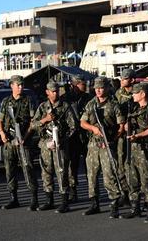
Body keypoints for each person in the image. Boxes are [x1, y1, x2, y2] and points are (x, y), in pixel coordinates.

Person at [80, 76, 125, 218]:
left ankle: (114, 205)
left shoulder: (113, 104)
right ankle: (94, 204)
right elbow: (82, 122)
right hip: (93, 144)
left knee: (109, 176)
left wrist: (113, 139)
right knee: (92, 175)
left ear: (107, 88)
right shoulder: (91, 104)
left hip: (107, 143)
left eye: (101, 88)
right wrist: (92, 128)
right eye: (96, 88)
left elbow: (121, 125)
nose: (98, 91)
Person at [31, 80, 76, 213]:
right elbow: (33, 125)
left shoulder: (65, 106)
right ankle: (49, 200)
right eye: (52, 91)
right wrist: (45, 119)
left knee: (61, 172)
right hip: (46, 144)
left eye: (56, 91)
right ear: (47, 92)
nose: (55, 93)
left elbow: (73, 127)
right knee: (46, 172)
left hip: (60, 145)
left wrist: (63, 139)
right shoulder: (42, 107)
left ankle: (64, 202)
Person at [0, 75, 37, 210]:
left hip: (23, 141)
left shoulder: (28, 100)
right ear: (12, 86)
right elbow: (0, 120)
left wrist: (25, 136)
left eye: (22, 85)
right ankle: (13, 198)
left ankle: (34, 198)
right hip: (9, 141)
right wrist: (2, 133)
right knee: (10, 170)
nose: (20, 87)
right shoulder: (6, 101)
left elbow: (33, 122)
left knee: (28, 169)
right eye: (18, 85)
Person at [121, 82, 148, 223]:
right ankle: (135, 208)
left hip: (144, 148)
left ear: (142, 94)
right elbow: (126, 126)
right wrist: (126, 127)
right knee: (132, 178)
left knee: (146, 180)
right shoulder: (134, 108)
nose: (133, 95)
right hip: (132, 148)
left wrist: (139, 135)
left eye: (136, 93)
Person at [60, 74, 92, 203]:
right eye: (83, 84)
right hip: (72, 137)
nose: (86, 86)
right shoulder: (65, 99)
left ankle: (92, 191)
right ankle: (73, 191)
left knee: (89, 165)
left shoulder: (89, 98)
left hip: (86, 135)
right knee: (71, 166)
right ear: (75, 85)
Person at [114, 68, 135, 207]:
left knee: (136, 165)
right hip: (122, 133)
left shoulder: (139, 92)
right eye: (121, 79)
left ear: (132, 80)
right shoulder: (118, 93)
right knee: (121, 162)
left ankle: (138, 195)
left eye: (125, 79)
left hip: (136, 133)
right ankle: (125, 193)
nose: (122, 81)